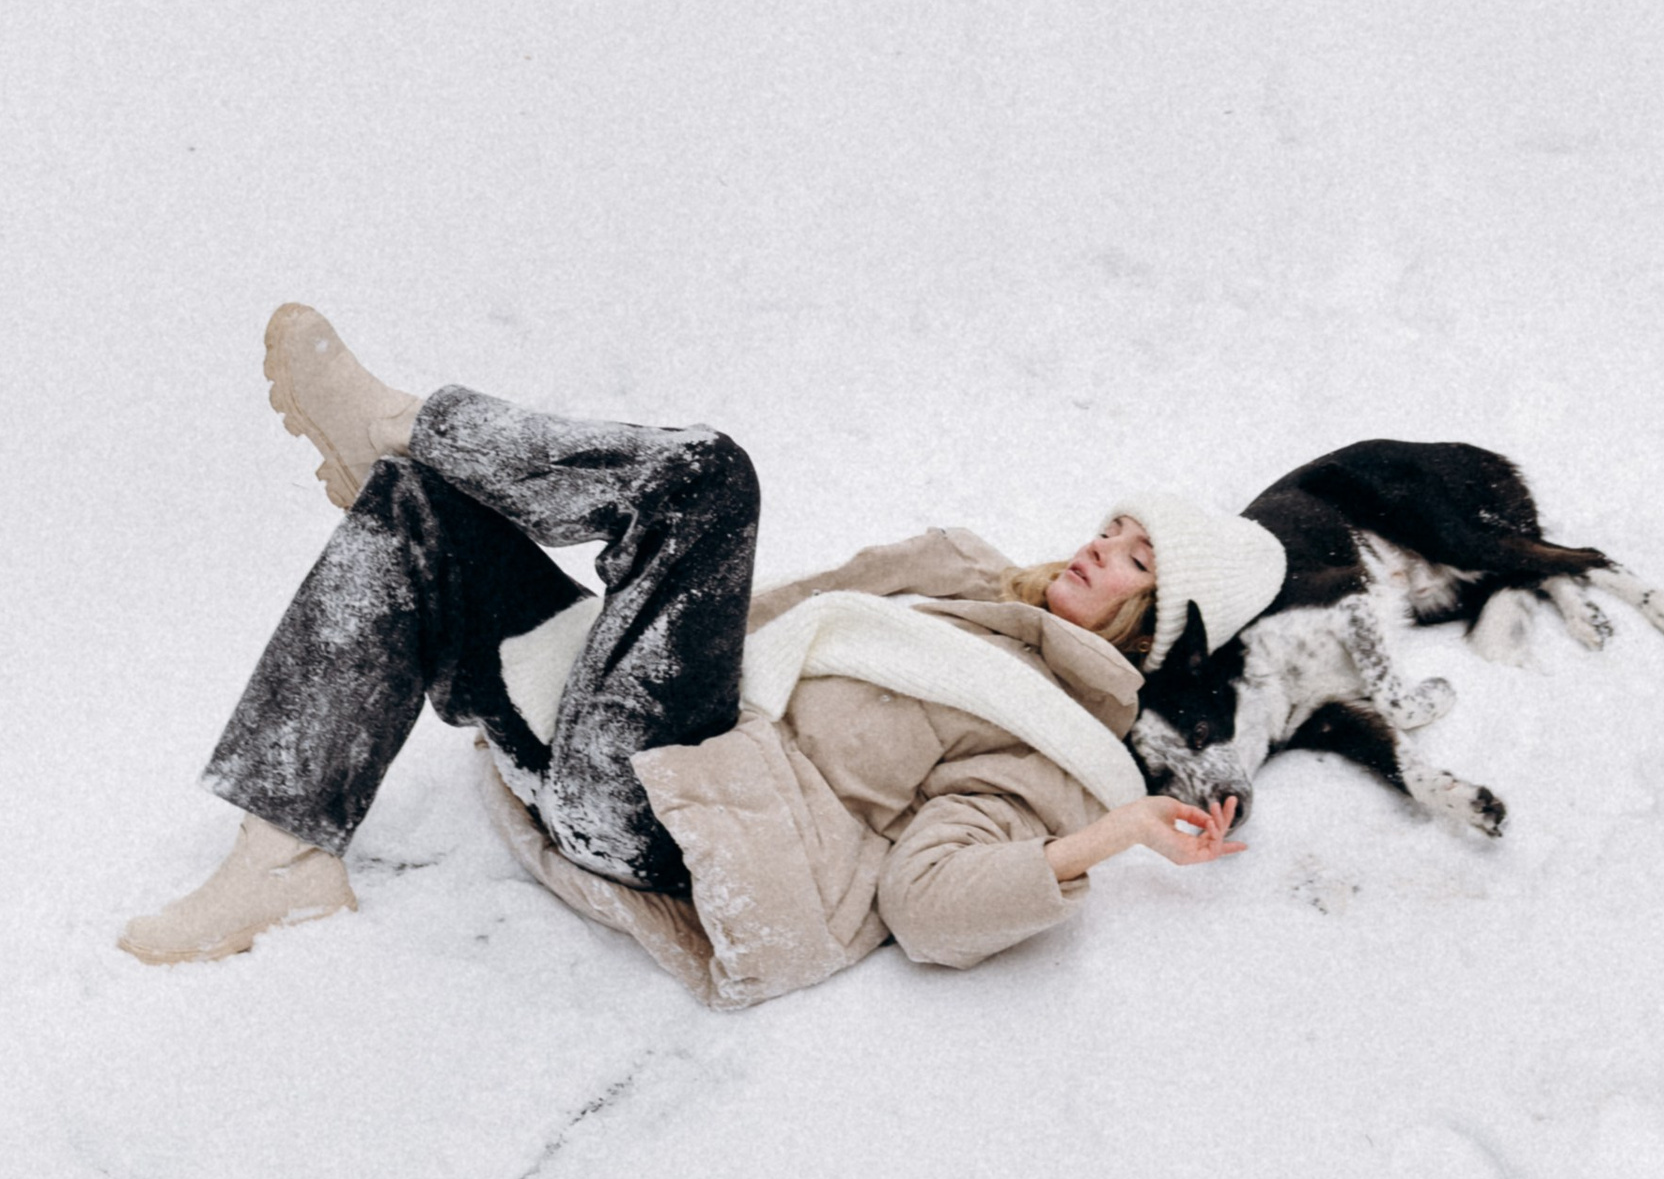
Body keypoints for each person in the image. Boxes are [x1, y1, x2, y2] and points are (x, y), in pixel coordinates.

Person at [118, 307, 1289, 1011]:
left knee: (708, 478)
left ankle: (408, 417)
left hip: (680, 817)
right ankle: (281, 855)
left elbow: (927, 906)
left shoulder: (1060, 741)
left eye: (1140, 561)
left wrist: (1111, 835)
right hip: (616, 719)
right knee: (416, 511)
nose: (1104, 548)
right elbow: (751, 616)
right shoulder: (957, 577)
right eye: (1114, 526)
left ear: (1160, 625)